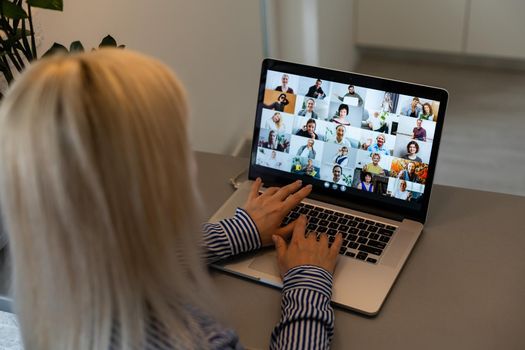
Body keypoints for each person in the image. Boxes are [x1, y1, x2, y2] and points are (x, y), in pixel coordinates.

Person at [0, 49, 344, 349]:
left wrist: (244, 229)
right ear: (148, 188)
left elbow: (126, 265)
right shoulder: (196, 342)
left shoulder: (47, 284)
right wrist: (308, 281)